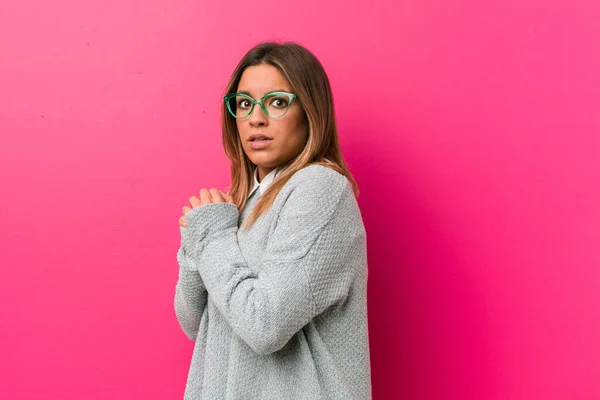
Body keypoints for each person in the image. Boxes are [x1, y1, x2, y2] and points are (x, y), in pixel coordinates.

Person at [174, 41, 372, 400]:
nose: (256, 118)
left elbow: (264, 325)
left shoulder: (320, 189)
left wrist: (214, 238)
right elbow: (196, 325)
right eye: (245, 103)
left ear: (311, 112)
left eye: (277, 102)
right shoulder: (243, 204)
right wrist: (196, 243)